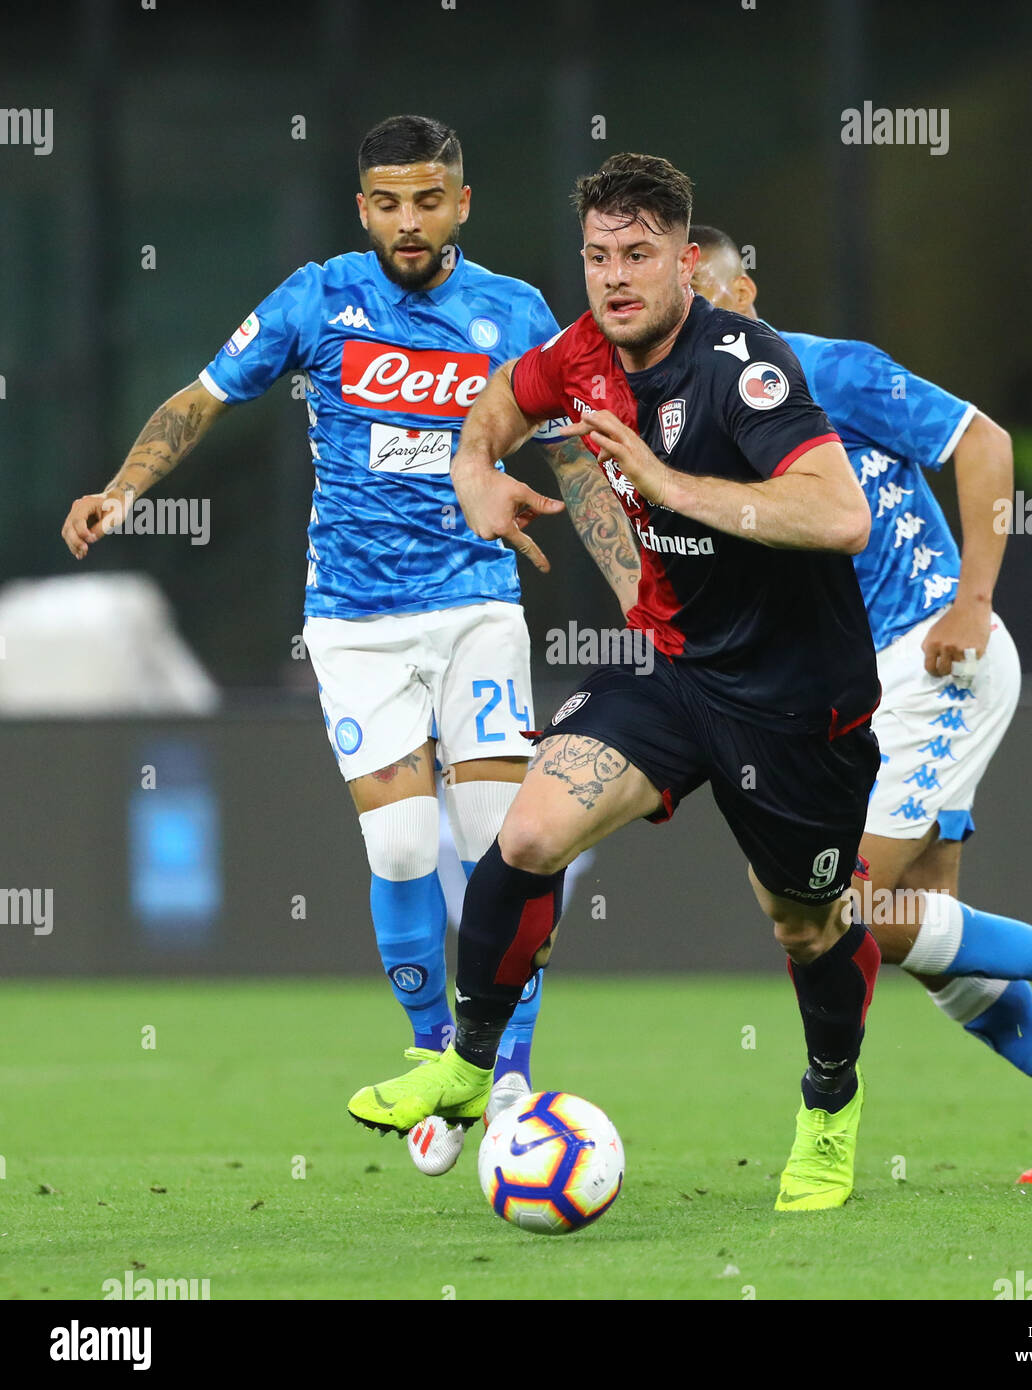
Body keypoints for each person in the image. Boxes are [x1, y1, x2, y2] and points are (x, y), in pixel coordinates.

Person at [60, 114, 640, 1177]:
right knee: (405, 851)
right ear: (362, 206)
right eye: (388, 201)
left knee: (509, 842)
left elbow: (575, 466)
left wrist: (641, 592)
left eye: (429, 199)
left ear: (462, 202)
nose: (409, 220)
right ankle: (432, 1053)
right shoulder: (319, 297)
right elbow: (202, 396)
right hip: (357, 623)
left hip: (476, 609)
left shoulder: (513, 312)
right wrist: (124, 488)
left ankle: (501, 1066)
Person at [348, 152, 887, 1212]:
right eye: (597, 257)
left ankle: (830, 1104)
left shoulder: (745, 365)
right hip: (676, 672)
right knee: (530, 833)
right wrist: (474, 475)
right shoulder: (579, 352)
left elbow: (839, 516)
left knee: (804, 926)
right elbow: (499, 403)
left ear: (687, 261)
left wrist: (666, 484)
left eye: (638, 255)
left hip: (797, 704)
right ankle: (470, 1060)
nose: (614, 278)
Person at [689, 224, 1032, 1183]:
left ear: (747, 296)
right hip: (860, 696)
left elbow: (984, 440)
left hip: (937, 658)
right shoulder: (698, 429)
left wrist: (974, 600)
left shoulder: (825, 372)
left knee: (836, 907)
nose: (697, 317)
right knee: (916, 925)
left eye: (712, 294)